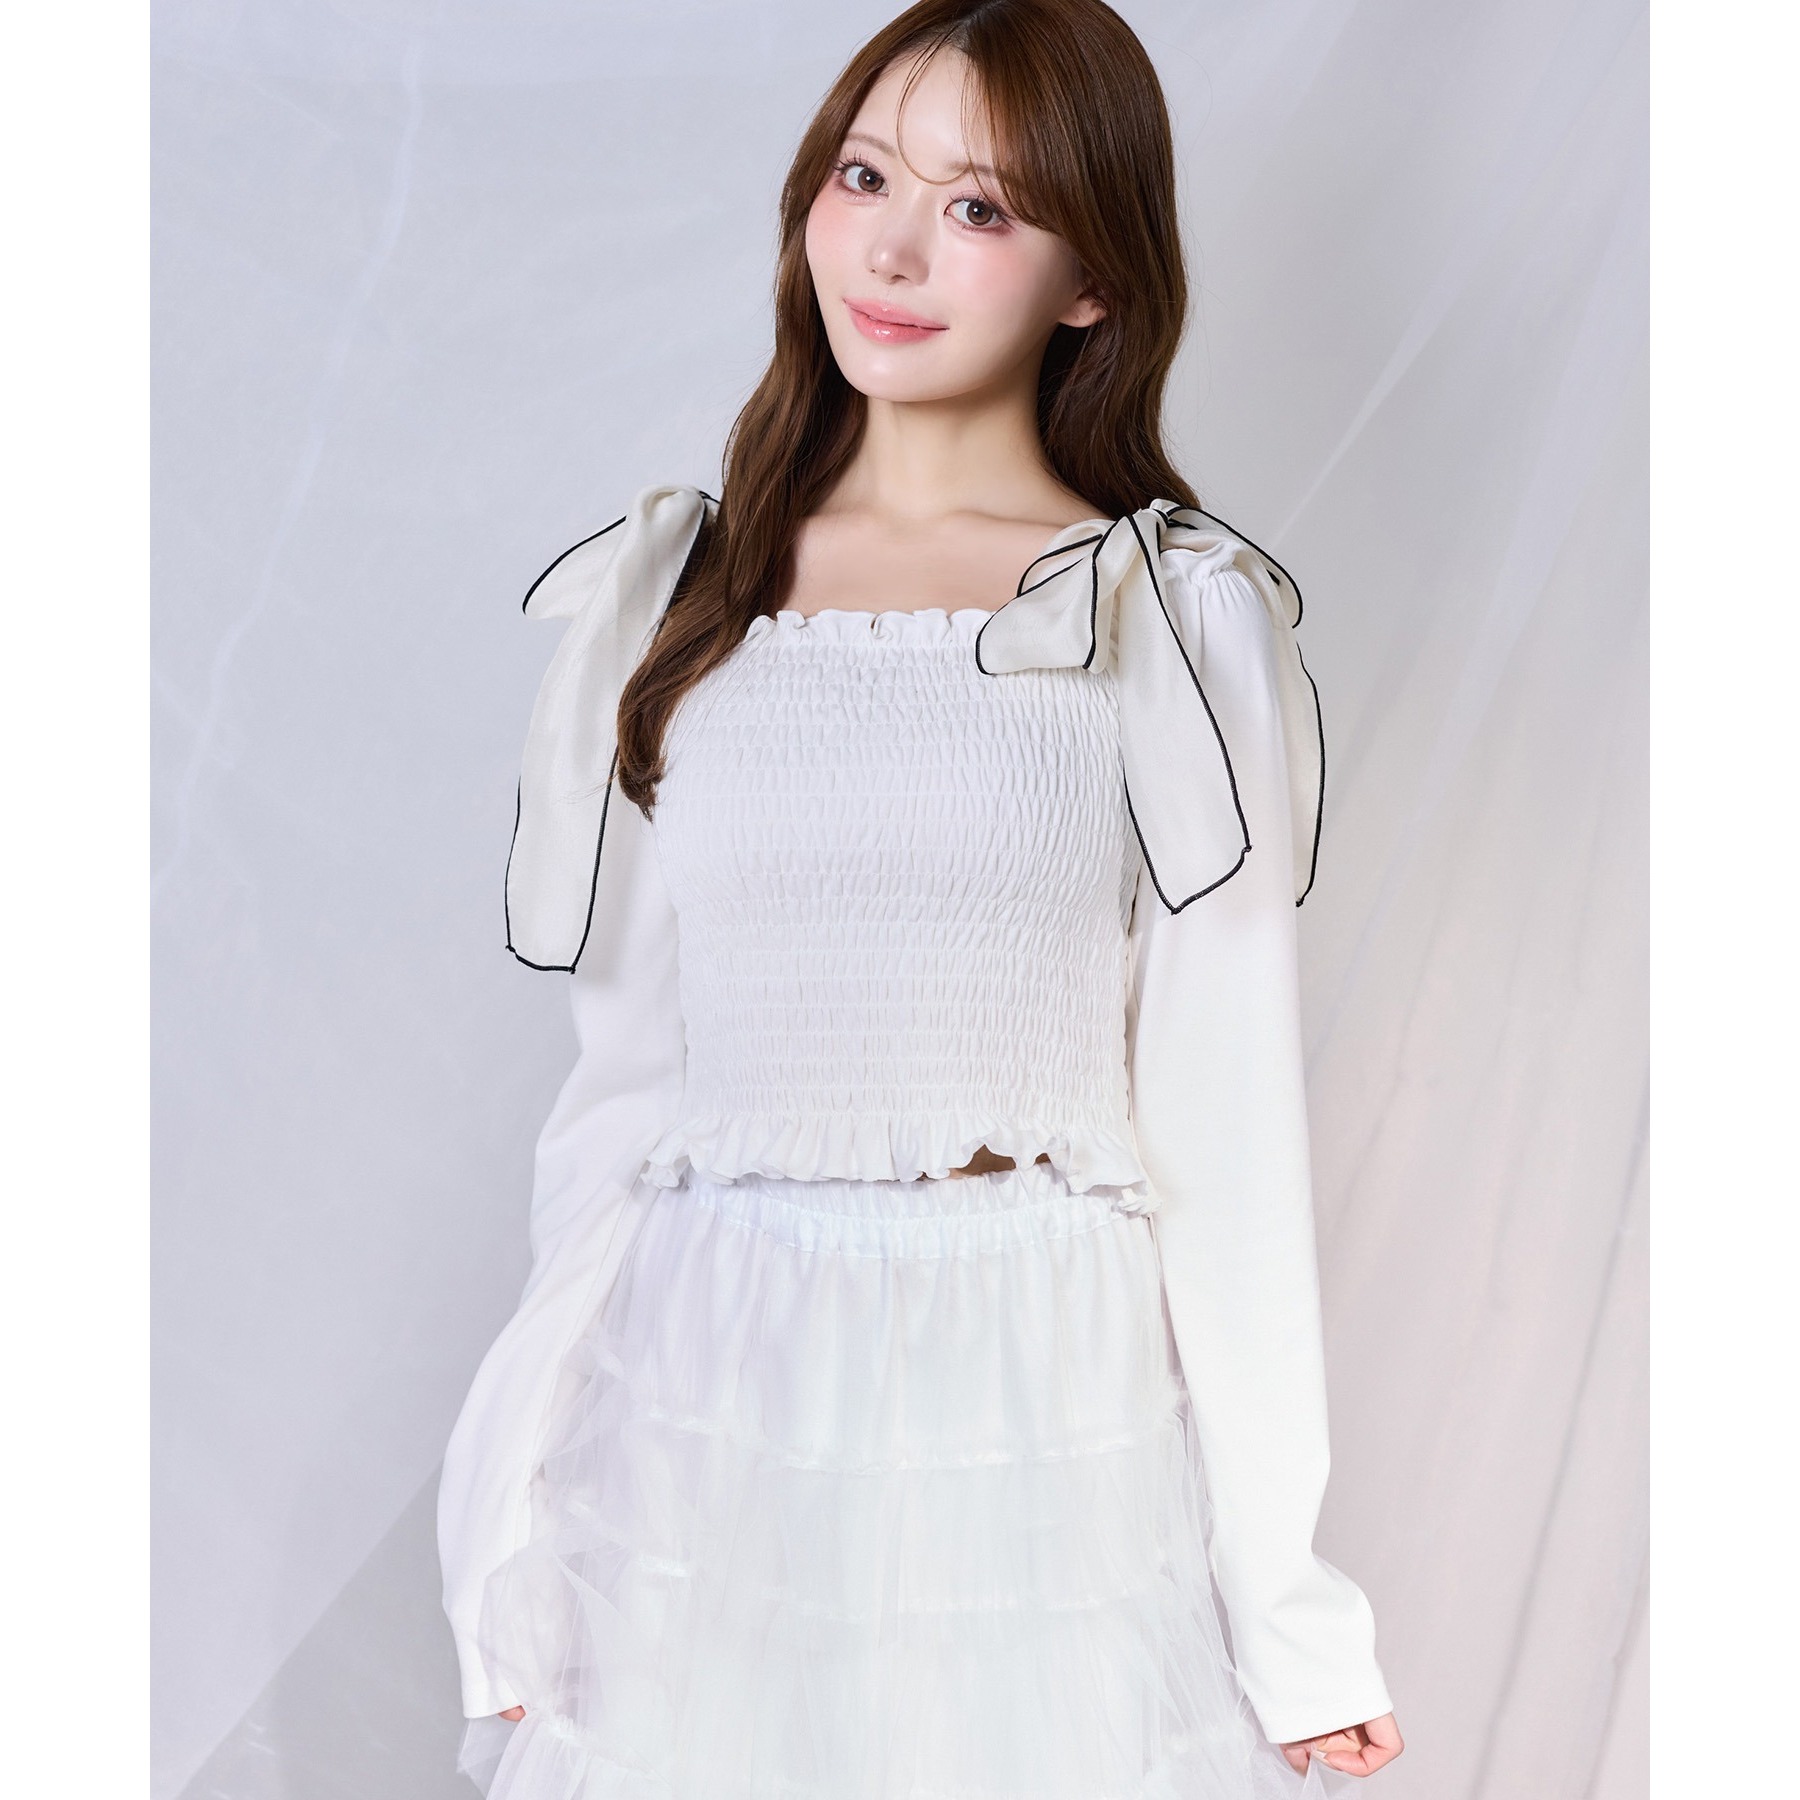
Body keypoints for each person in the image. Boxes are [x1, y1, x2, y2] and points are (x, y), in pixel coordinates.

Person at [438, 1, 1404, 1793]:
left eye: (980, 209)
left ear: (1094, 279)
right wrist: (499, 1517)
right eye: (865, 176)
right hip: (713, 1391)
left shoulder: (1165, 617)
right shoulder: (677, 601)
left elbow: (1226, 1116)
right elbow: (621, 1103)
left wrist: (1288, 1609)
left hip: (1032, 1394)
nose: (890, 252)